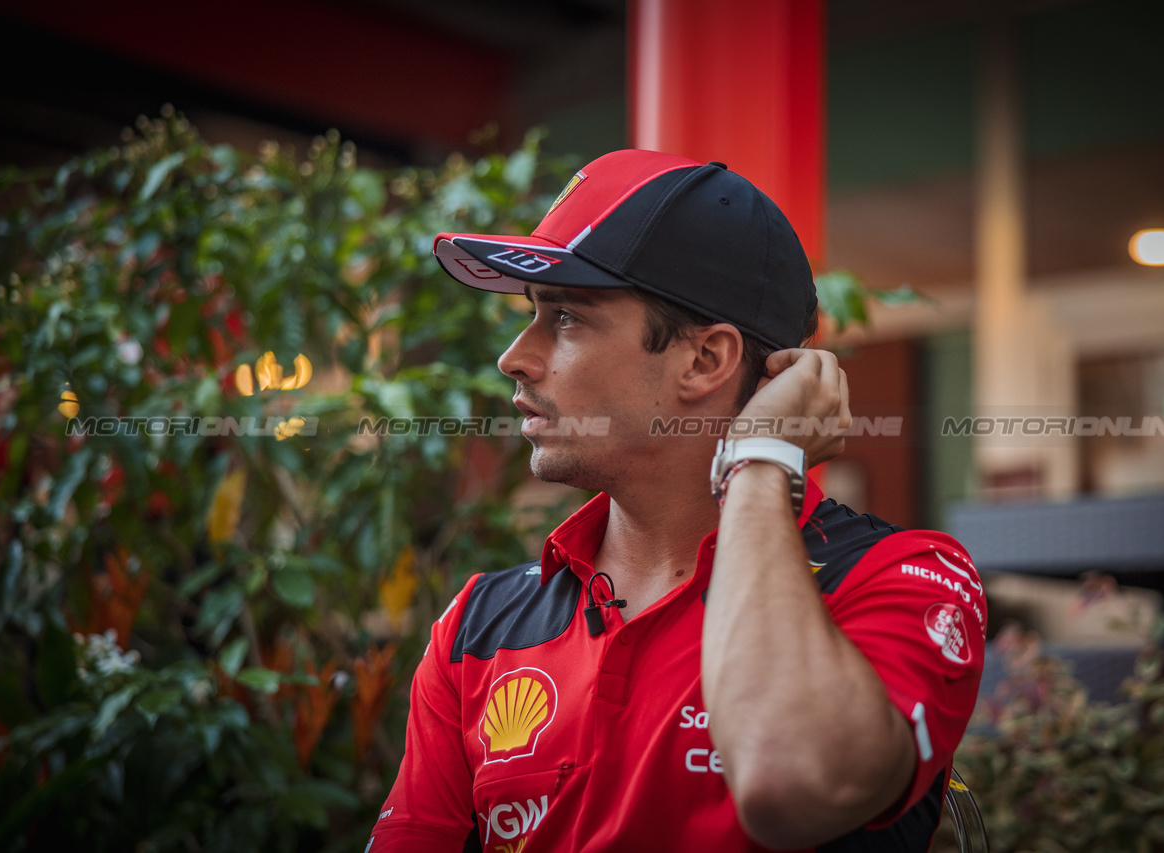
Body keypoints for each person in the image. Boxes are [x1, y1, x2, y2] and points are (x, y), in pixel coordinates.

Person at [368, 150, 986, 852]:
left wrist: (761, 459)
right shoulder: (478, 623)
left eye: (565, 316)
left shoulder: (899, 574)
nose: (516, 355)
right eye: (532, 314)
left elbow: (795, 784)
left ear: (705, 361)